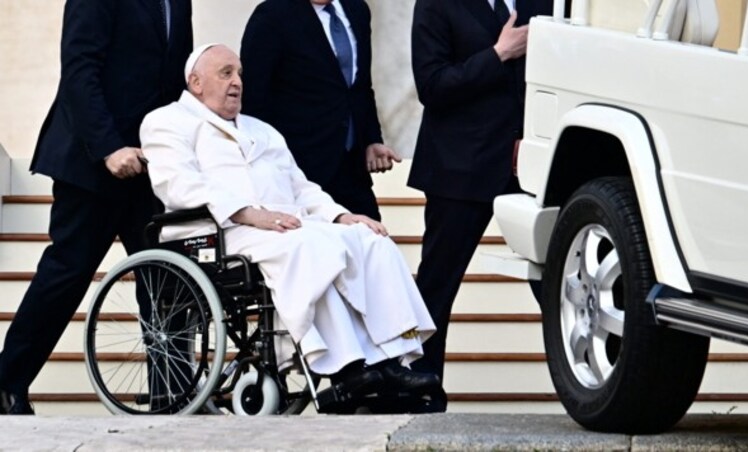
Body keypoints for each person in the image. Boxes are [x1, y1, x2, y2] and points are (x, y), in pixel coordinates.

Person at [140, 44, 438, 403]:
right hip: (217, 232)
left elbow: (301, 187)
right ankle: (347, 369)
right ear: (196, 82)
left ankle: (391, 359)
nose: (237, 82)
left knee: (368, 238)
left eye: (239, 74)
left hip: (281, 226)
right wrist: (248, 213)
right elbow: (178, 184)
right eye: (226, 73)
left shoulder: (261, 129)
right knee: (310, 247)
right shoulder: (166, 121)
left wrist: (342, 216)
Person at [0, 0, 193, 415]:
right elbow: (80, 70)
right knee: (66, 275)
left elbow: (176, 83)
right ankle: (6, 384)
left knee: (167, 277)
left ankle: (171, 394)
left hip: (148, 167)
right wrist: (108, 147)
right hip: (91, 162)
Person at [408, 0, 556, 412]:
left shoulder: (544, 2)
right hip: (459, 169)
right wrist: (498, 54)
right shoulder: (435, 4)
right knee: (437, 287)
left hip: (529, 166)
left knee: (559, 282)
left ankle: (597, 384)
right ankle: (422, 392)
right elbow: (432, 86)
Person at [240, 0, 400, 221]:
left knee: (372, 241)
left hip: (351, 166)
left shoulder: (357, 10)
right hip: (299, 168)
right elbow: (254, 97)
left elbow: (359, 86)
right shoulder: (272, 14)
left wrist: (372, 139)